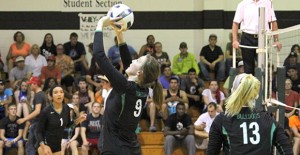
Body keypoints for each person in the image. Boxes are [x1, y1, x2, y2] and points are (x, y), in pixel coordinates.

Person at [93, 16, 163, 155]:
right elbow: (128, 64)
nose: (133, 60)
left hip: (115, 149)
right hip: (131, 149)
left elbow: (99, 55)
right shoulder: (143, 88)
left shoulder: (125, 86)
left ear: (139, 72)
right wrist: (119, 34)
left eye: (137, 60)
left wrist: (101, 23)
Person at [207, 73, 293, 154]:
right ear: (255, 94)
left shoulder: (222, 119)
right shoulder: (268, 120)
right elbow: (287, 151)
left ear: (234, 91)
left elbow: (212, 152)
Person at [232, 0, 282, 75]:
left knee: (262, 67)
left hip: (263, 38)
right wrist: (235, 40)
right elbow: (235, 23)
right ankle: (250, 86)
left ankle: (262, 86)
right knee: (248, 68)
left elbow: (273, 22)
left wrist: (276, 40)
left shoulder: (268, 3)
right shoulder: (243, 4)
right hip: (247, 37)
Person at [36, 85, 86, 155]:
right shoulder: (46, 111)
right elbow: (38, 131)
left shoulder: (66, 108)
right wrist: (43, 146)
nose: (59, 94)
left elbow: (68, 126)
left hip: (58, 146)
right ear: (51, 96)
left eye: (61, 92)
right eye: (56, 92)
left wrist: (79, 120)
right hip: (45, 145)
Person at [16, 76, 47, 155]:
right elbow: (35, 109)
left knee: (30, 145)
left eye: (30, 84)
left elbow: (37, 111)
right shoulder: (42, 94)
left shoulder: (38, 95)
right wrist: (27, 103)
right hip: (40, 123)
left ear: (35, 84)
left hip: (38, 123)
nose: (29, 86)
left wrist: (24, 119)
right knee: (38, 145)